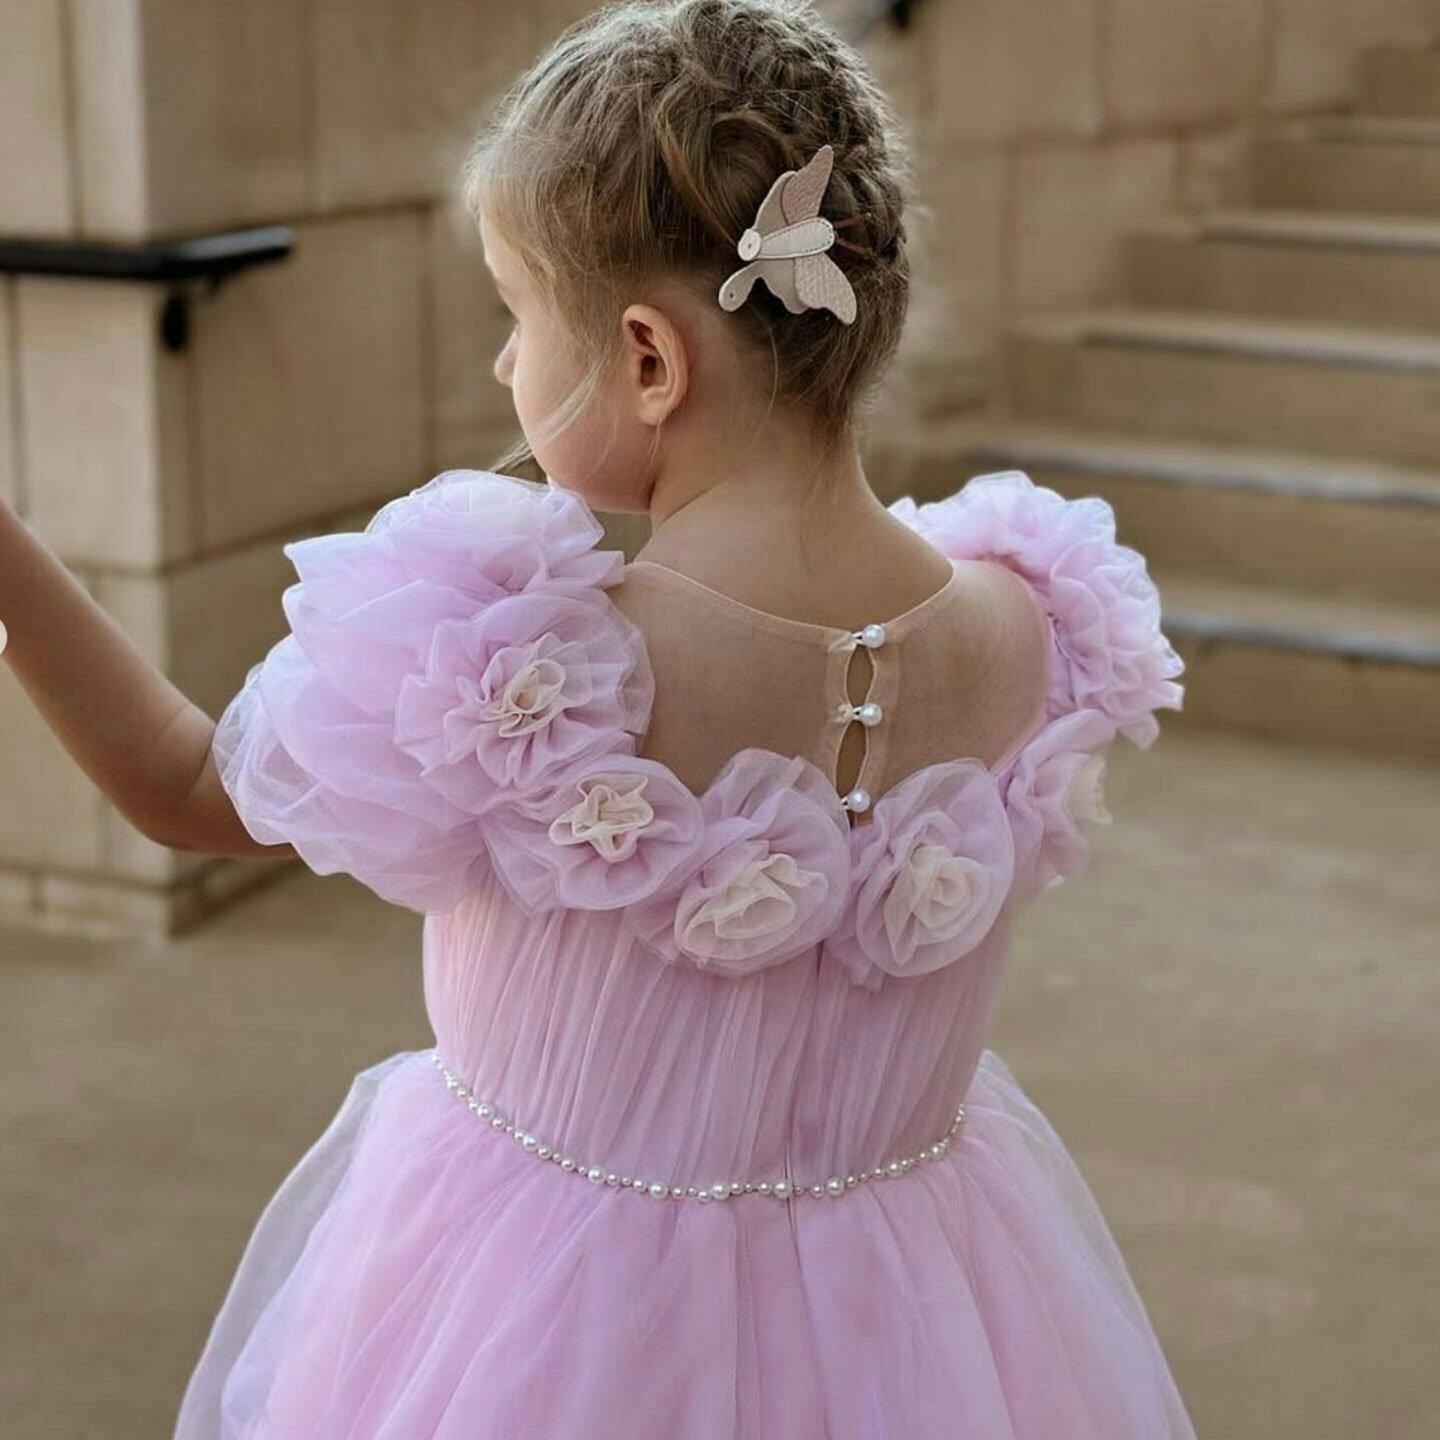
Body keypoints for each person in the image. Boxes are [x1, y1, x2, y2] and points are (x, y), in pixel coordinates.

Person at [0, 2, 1196, 1434]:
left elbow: (183, 783)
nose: (506, 369)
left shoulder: (528, 669)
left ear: (647, 359)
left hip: (540, 1323)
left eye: (515, 316)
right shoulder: (1030, 620)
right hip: (915, 1321)